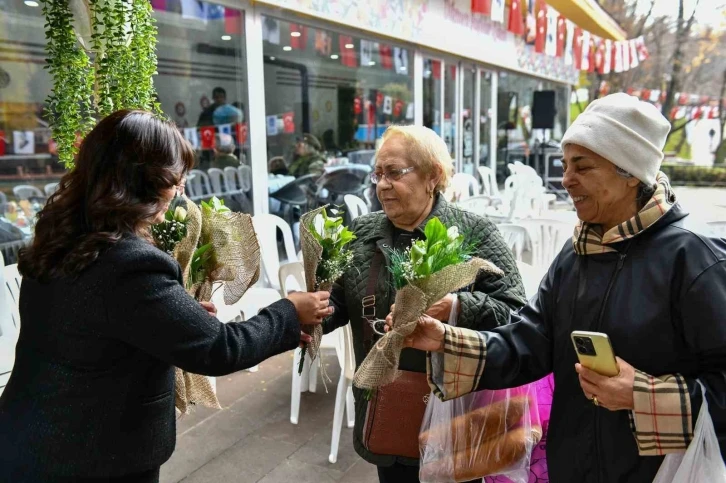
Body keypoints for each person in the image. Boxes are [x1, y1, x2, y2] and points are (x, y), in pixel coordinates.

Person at [398, 94, 726, 482]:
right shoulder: (575, 257)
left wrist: (643, 395)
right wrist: (446, 340)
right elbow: (530, 342)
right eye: (565, 164)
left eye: (582, 167)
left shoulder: (696, 260)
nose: (566, 179)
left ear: (631, 173)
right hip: (571, 466)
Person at [0, 110, 333, 483]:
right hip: (87, 456)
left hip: (28, 436)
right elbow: (221, 348)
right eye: (176, 178)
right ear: (147, 180)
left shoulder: (60, 240)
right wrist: (289, 311)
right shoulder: (130, 264)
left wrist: (174, 317)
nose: (179, 190)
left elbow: (96, 327)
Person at [323, 125, 526, 483]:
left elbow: (514, 310)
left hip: (454, 411)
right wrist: (307, 315)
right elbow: (339, 301)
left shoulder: (473, 232)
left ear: (433, 175)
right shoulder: (363, 232)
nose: (382, 185)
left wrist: (456, 307)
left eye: (395, 173)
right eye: (378, 174)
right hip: (387, 407)